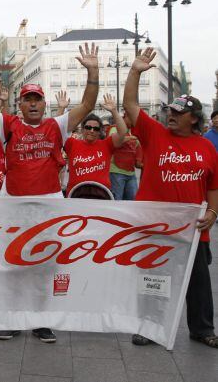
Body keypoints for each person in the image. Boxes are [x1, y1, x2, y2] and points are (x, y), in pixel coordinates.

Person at [0, 43, 100, 344]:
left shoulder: (58, 125)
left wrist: (93, 71)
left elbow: (87, 105)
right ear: (20, 104)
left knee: (45, 264)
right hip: (13, 203)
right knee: (12, 263)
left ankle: (41, 321)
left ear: (44, 102)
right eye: (28, 99)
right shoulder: (8, 124)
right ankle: (12, 319)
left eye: (38, 99)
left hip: (49, 205)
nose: (34, 104)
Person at [123, 47, 218, 349]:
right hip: (155, 226)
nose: (171, 116)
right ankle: (149, 327)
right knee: (154, 280)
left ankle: (202, 329)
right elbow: (130, 103)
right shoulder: (155, 134)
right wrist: (135, 71)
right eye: (170, 111)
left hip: (193, 229)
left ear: (194, 118)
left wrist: (214, 214)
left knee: (199, 283)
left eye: (178, 113)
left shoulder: (207, 148)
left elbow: (213, 186)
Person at [63, 94, 127, 196]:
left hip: (101, 195)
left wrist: (114, 111)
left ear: (99, 131)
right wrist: (61, 109)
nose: (92, 131)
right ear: (83, 129)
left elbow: (123, 132)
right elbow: (57, 131)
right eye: (88, 127)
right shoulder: (72, 143)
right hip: (76, 195)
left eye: (96, 128)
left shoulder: (107, 144)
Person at [109, 112, 143, 200]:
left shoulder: (133, 132)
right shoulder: (114, 129)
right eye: (132, 117)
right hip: (116, 172)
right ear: (126, 116)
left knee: (133, 200)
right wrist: (131, 138)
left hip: (131, 173)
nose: (134, 121)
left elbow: (138, 158)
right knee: (117, 200)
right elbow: (113, 141)